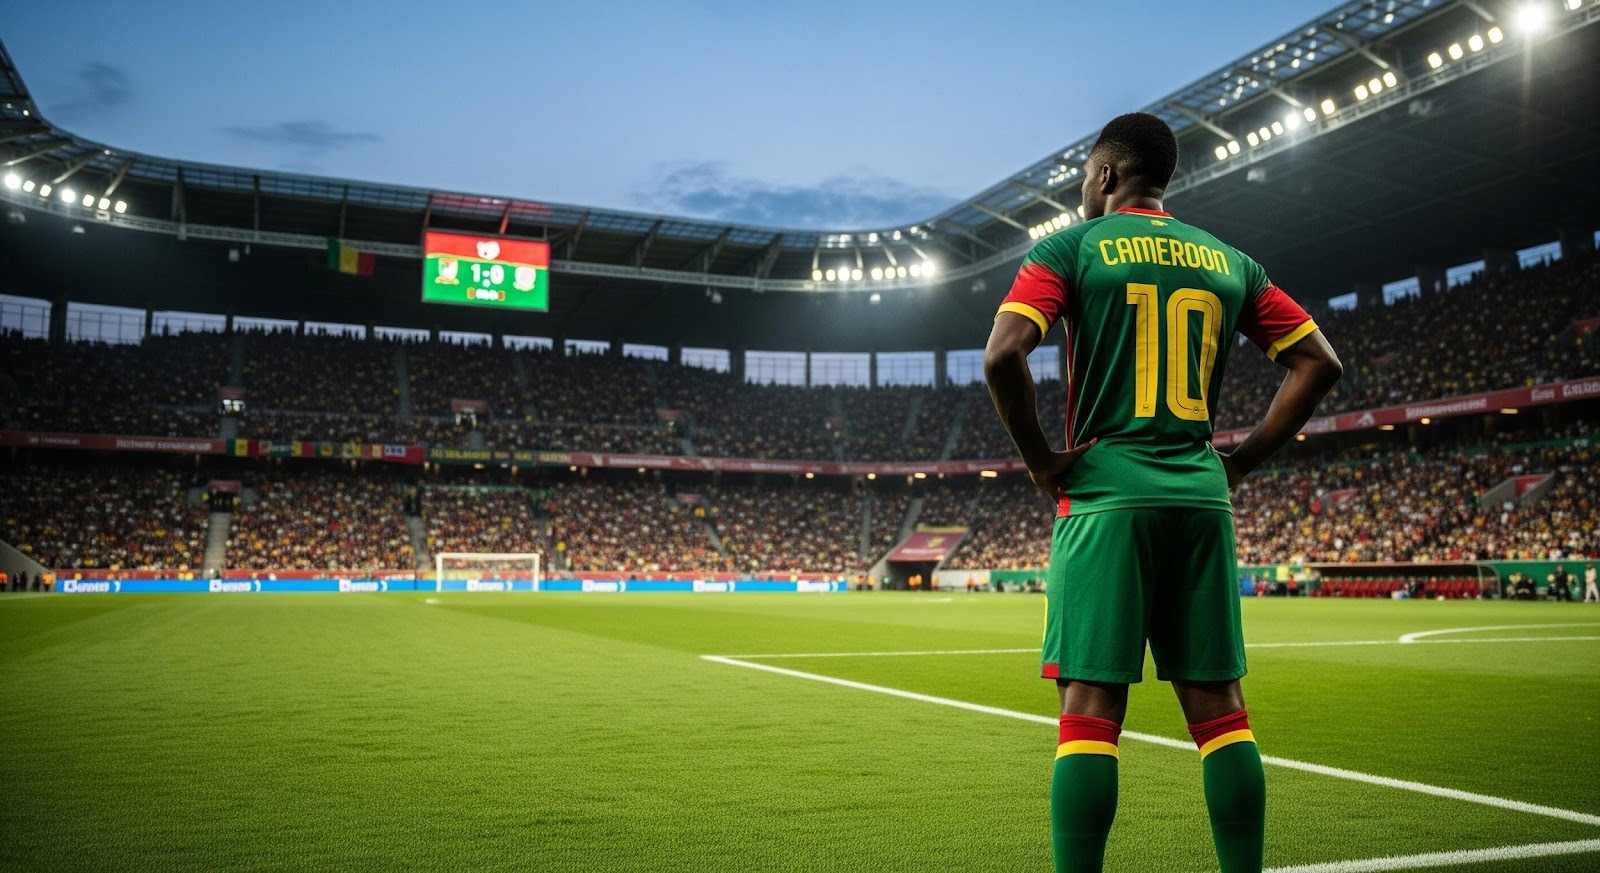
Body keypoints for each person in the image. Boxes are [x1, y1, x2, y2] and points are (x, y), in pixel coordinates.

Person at [983, 112, 1341, 873]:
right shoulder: (1229, 261)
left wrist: (1042, 460)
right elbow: (1319, 363)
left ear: (1107, 175)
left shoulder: (1071, 248)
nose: (1083, 190)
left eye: (1085, 177)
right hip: (1201, 496)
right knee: (1222, 712)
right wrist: (1238, 464)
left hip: (1107, 495)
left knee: (1089, 712)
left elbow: (1002, 355)